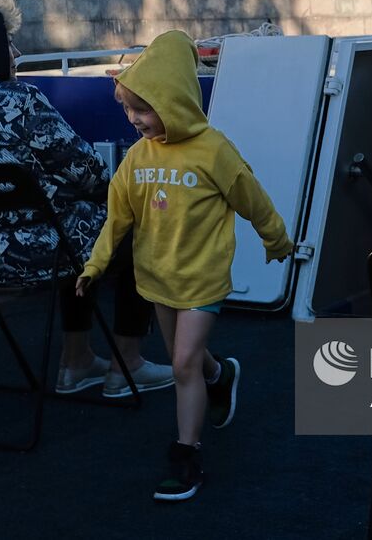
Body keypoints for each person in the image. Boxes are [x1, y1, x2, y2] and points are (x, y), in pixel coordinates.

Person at [0, 0, 171, 398]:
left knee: (73, 221)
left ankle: (78, 362)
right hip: (43, 252)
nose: (15, 54)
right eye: (5, 44)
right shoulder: (18, 102)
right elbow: (90, 171)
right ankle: (126, 364)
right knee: (132, 224)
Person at [78, 30, 293, 501]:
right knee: (189, 362)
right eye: (128, 110)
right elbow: (117, 219)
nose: (134, 120)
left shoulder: (214, 150)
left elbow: (251, 198)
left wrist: (276, 239)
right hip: (157, 278)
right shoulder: (136, 158)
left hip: (202, 279)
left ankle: (186, 454)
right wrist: (94, 267)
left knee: (180, 365)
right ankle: (221, 376)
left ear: (174, 100)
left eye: (143, 109)